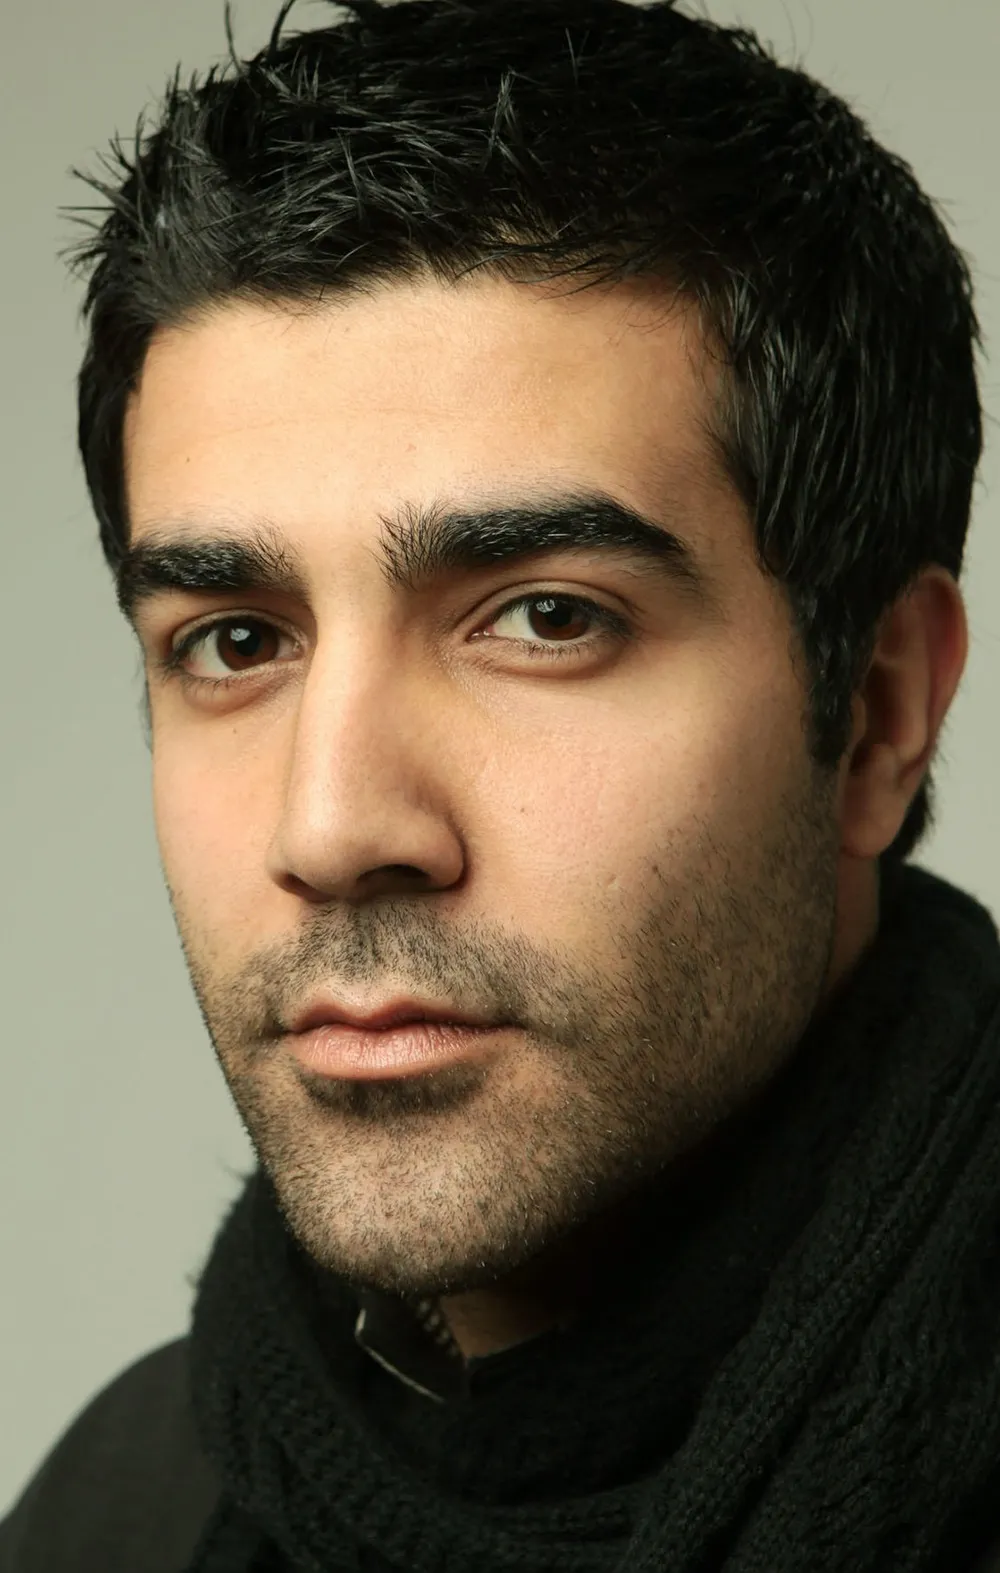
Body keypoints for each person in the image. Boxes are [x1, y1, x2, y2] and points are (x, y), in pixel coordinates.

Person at [4, 0, 1000, 1569]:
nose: (331, 825)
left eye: (544, 618)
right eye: (237, 639)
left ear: (877, 712)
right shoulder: (119, 1510)